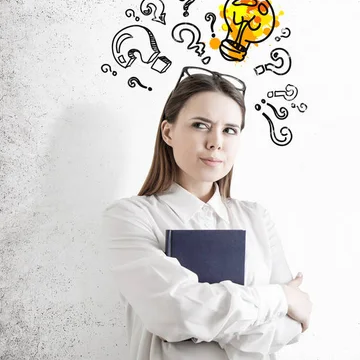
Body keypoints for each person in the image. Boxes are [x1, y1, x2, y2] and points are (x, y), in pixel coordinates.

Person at [101, 66, 312, 360]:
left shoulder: (257, 219)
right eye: (201, 125)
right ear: (168, 131)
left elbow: (290, 328)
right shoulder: (129, 217)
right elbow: (174, 312)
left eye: (229, 130)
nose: (216, 142)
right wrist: (280, 297)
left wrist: (207, 321)